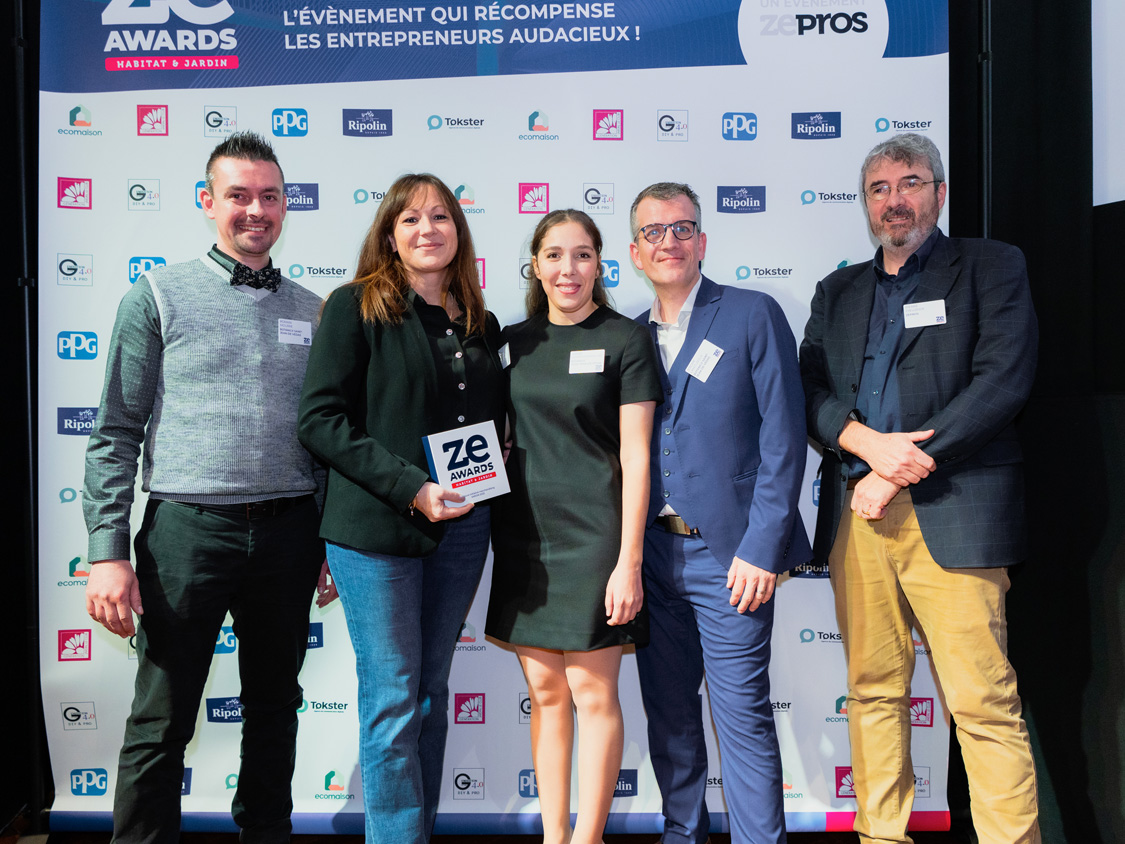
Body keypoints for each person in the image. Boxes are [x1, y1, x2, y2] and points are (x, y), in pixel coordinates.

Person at [82, 131, 334, 844]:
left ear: (285, 205)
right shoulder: (157, 293)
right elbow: (114, 433)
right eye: (238, 196)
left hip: (289, 533)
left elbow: (324, 437)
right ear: (207, 202)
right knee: (161, 718)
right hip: (186, 532)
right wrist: (107, 551)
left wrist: (328, 539)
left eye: (269, 196)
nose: (255, 210)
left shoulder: (315, 310)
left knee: (276, 709)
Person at [799, 133, 1040, 844]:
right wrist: (862, 445)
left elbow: (1001, 382)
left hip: (954, 509)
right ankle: (881, 836)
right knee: (873, 694)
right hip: (858, 517)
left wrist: (896, 468)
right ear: (865, 204)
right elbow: (806, 389)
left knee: (982, 704)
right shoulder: (836, 290)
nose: (893, 200)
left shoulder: (990, 268)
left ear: (936, 191)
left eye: (908, 183)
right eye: (878, 188)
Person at [297, 173, 505, 844]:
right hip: (375, 533)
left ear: (458, 232)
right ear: (389, 233)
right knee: (392, 700)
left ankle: (419, 831)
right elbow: (320, 421)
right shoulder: (354, 307)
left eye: (440, 217)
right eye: (411, 218)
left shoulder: (477, 320)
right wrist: (412, 488)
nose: (427, 229)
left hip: (463, 530)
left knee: (429, 696)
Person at [629, 182, 811, 844]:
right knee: (669, 717)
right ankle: (683, 835)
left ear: (701, 241)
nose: (668, 242)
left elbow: (783, 438)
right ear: (634, 252)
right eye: (653, 232)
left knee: (741, 716)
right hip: (651, 558)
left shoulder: (750, 313)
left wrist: (763, 547)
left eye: (681, 229)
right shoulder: (626, 335)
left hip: (731, 556)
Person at [486, 209, 661, 844]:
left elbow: (638, 456)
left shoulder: (625, 339)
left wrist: (629, 559)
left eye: (583, 255)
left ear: (600, 264)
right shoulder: (511, 343)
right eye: (555, 255)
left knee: (593, 692)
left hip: (597, 538)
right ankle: (553, 837)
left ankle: (588, 839)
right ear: (536, 264)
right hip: (525, 535)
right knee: (547, 693)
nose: (569, 269)